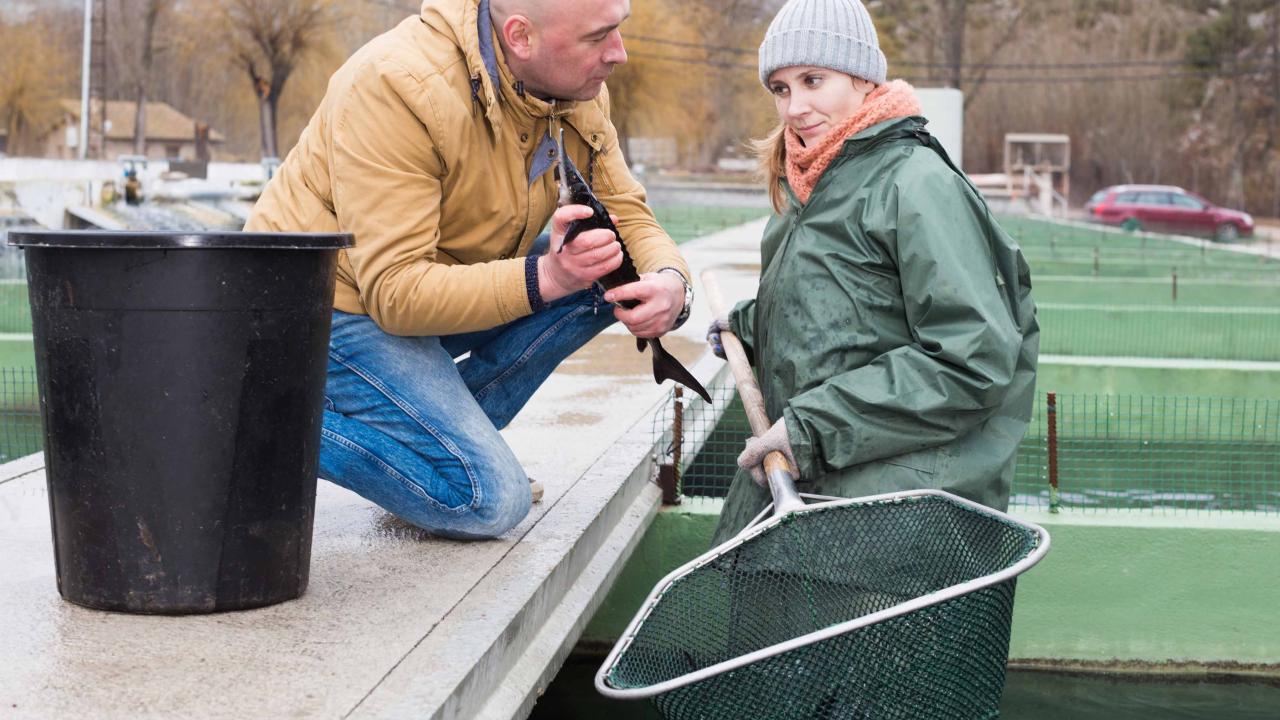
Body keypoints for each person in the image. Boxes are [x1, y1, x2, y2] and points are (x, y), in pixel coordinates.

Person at [246, 0, 694, 540]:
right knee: (489, 500)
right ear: (521, 37)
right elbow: (396, 292)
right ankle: (260, 420)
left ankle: (434, 442)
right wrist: (548, 278)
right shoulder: (397, 85)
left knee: (609, 272)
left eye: (618, 30)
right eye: (598, 37)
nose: (618, 54)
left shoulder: (574, 88)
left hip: (431, 287)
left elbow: (629, 213)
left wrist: (671, 282)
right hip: (323, 310)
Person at [707, 0, 1039, 545]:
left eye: (814, 80)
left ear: (863, 79)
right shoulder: (810, 186)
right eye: (782, 88)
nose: (794, 107)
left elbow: (971, 359)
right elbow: (846, 310)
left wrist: (812, 428)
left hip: (885, 518)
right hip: (810, 492)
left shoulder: (916, 184)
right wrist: (750, 327)